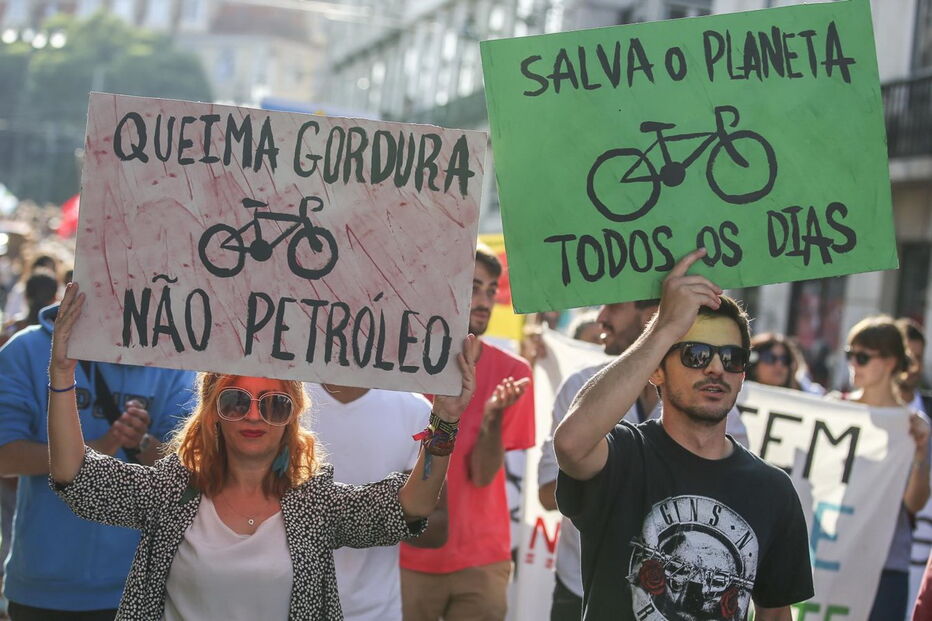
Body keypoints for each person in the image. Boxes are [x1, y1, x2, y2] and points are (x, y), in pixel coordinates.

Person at [47, 283, 479, 619]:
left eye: (274, 404)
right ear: (213, 414)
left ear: (291, 419)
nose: (254, 415)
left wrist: (445, 422)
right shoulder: (169, 492)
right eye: (236, 401)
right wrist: (62, 374)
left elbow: (410, 507)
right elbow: (74, 475)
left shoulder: (315, 505)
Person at [553, 249, 814, 620]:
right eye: (696, 354)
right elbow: (570, 444)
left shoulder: (774, 490)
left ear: (742, 375)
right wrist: (664, 328)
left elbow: (775, 614)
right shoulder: (625, 454)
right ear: (656, 370)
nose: (716, 369)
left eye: (732, 358)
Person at [538, 299, 749, 621]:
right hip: (579, 586)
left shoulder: (716, 412)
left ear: (653, 315)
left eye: (615, 307)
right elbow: (548, 491)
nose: (601, 317)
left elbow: (719, 510)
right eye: (698, 356)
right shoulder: (584, 390)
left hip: (669, 606)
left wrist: (611, 477)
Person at [0, 295, 196, 620]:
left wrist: (141, 443)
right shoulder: (27, 348)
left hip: (136, 589)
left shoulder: (174, 360)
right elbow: (5, 457)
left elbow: (191, 471)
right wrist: (89, 450)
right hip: (43, 588)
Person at [400, 243, 535, 621]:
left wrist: (493, 419)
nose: (485, 301)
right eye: (474, 287)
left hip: (481, 560)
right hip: (405, 554)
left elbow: (484, 475)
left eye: (491, 290)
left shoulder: (514, 373)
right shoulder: (397, 365)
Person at [306, 383, 443, 620]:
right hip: (287, 606)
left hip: (376, 611)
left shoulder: (414, 409)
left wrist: (446, 421)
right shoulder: (282, 400)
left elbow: (433, 521)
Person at [835, 315, 931, 620]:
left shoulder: (912, 427)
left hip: (887, 564)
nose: (854, 364)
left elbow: (914, 504)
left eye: (863, 357)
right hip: (832, 556)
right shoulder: (833, 409)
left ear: (890, 362)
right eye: (850, 355)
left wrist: (920, 453)